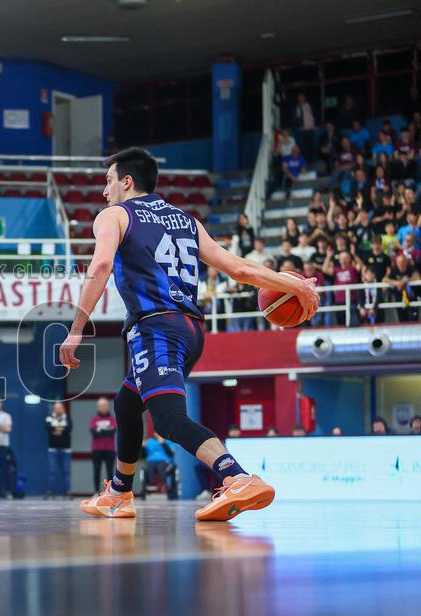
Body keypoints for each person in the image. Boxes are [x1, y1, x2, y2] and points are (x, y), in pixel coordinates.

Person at [62, 147, 319, 521]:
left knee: (166, 419)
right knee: (127, 404)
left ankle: (238, 478)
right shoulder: (186, 219)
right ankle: (119, 491)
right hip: (192, 330)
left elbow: (100, 265)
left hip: (156, 327)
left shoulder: (113, 215)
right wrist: (293, 285)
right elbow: (237, 268)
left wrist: (75, 329)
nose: (105, 191)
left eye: (108, 181)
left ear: (127, 182)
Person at [44, 402, 72, 499]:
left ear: (63, 409)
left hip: (66, 450)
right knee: (52, 471)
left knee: (66, 471)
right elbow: (48, 427)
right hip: (53, 449)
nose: (58, 409)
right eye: (56, 408)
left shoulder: (67, 418)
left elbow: (69, 428)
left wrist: (56, 429)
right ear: (54, 409)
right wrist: (61, 429)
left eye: (60, 408)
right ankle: (50, 492)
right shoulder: (49, 418)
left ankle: (67, 492)